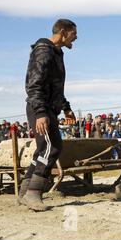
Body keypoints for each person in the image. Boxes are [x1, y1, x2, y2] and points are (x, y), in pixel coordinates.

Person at [19, 19, 77, 211]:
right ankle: (34, 193)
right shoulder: (43, 50)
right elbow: (34, 84)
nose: (75, 37)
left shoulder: (56, 53)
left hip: (48, 107)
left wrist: (66, 107)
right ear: (62, 31)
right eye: (73, 33)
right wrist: (41, 112)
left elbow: (55, 86)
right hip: (40, 108)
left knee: (43, 149)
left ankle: (25, 190)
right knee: (52, 147)